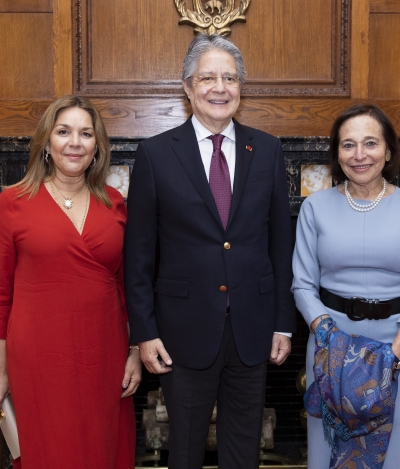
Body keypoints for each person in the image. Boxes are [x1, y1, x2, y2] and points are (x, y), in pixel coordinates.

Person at [124, 34, 295, 469]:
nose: (220, 87)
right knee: (183, 453)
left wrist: (283, 323)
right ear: (187, 87)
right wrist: (144, 333)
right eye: (208, 78)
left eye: (230, 78)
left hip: (253, 330)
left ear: (241, 88)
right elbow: (139, 254)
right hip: (181, 331)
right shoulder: (156, 154)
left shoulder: (269, 150)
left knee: (244, 455)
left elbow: (280, 245)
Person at [0, 95, 140, 468]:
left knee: (104, 450)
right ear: (47, 142)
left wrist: (134, 354)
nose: (75, 142)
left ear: (97, 147)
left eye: (85, 133)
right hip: (38, 359)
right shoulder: (12, 203)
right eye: (64, 132)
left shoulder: (114, 203)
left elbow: (129, 289)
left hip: (105, 356)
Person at [292, 104, 400, 468]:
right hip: (330, 347)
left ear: (388, 151)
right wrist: (333, 342)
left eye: (370, 143)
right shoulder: (315, 207)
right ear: (337, 154)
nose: (360, 155)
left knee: (395, 454)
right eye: (348, 145)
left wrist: (393, 355)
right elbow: (302, 285)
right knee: (328, 453)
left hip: (399, 349)